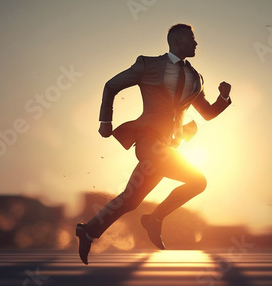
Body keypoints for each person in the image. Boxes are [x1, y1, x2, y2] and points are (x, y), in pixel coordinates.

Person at [76, 23, 232, 265]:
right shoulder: (148, 65)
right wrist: (105, 121)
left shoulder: (196, 77)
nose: (196, 43)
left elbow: (208, 113)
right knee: (196, 180)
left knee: (131, 199)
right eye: (192, 39)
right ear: (177, 42)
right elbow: (111, 85)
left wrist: (223, 98)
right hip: (150, 142)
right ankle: (155, 219)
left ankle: (88, 231)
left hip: (169, 147)